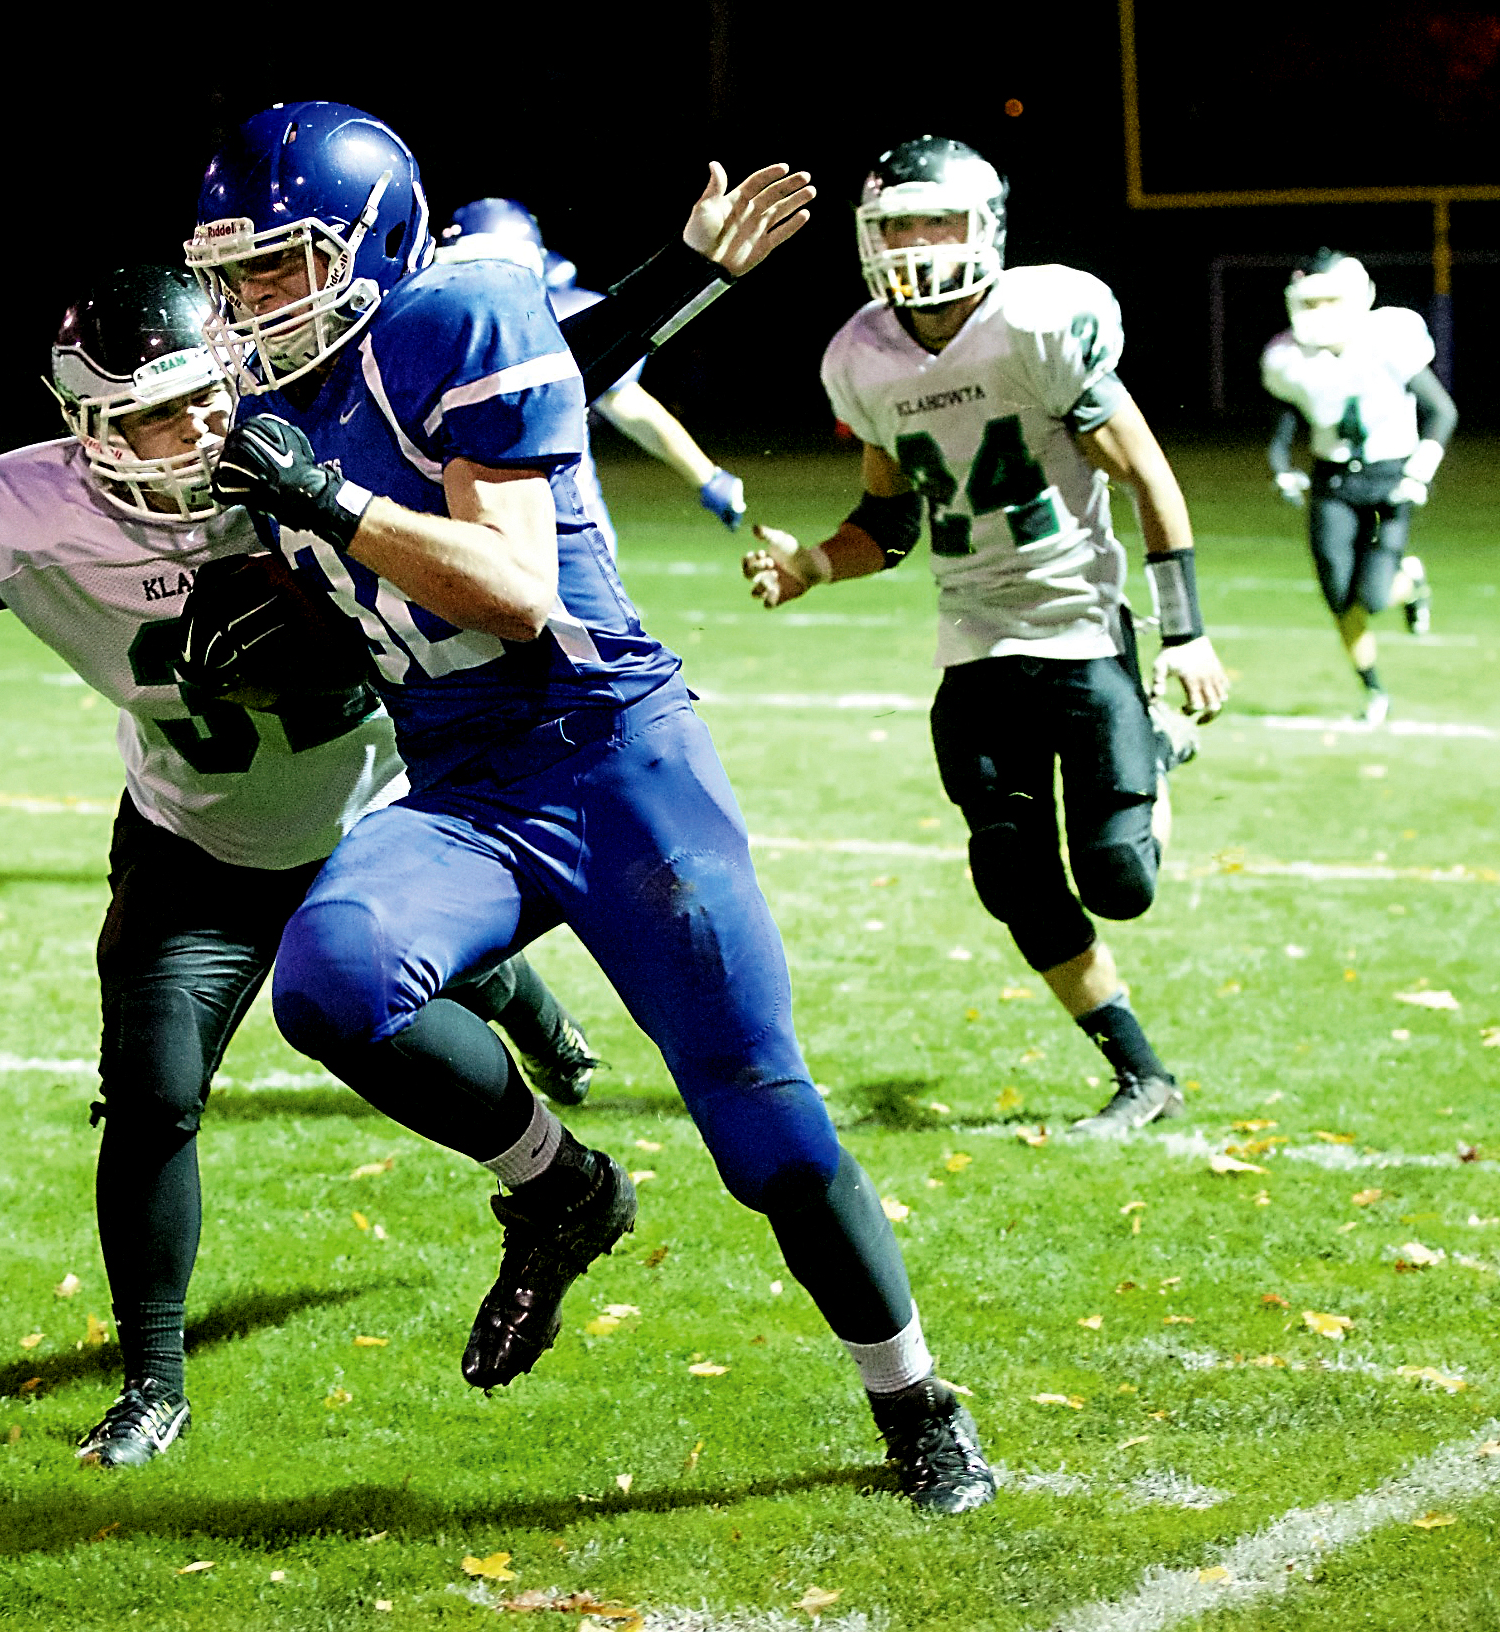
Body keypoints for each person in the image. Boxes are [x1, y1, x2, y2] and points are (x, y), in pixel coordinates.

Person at [182, 100, 995, 1514]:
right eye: (234, 274)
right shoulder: (263, 397)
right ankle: (559, 1187)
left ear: (369, 245)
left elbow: (515, 591)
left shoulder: (459, 312)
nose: (250, 305)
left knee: (762, 1127)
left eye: (279, 267)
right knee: (331, 981)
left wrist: (323, 505)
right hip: (462, 781)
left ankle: (913, 1400)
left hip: (611, 757)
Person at [0, 265, 600, 1470]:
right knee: (153, 1096)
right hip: (194, 839)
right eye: (160, 411)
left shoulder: (302, 458)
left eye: (209, 394)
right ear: (90, 423)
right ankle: (151, 1380)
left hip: (377, 818)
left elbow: (523, 407)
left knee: (392, 1005)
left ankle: (544, 1114)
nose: (202, 427)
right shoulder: (22, 504)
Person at [741, 135, 1228, 1138]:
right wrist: (811, 565)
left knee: (1120, 884)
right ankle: (1141, 1074)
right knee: (1011, 875)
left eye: (938, 221)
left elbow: (1145, 474)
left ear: (986, 230)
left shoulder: (1040, 323)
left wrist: (1183, 635)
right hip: (972, 643)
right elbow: (887, 524)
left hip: (1078, 629)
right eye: (897, 224)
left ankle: (1155, 743)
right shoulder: (860, 358)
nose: (917, 243)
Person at [436, 197, 747, 548]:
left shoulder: (557, 323)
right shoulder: (417, 333)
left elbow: (630, 407)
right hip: (469, 532)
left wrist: (708, 476)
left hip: (561, 534)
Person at [1261, 249, 1456, 726]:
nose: (1321, 313)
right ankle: (1374, 691)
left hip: (1392, 479)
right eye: (1311, 302)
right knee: (1337, 595)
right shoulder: (1287, 358)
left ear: (1357, 298)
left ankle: (1410, 583)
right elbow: (1282, 429)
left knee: (1370, 596)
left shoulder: (1389, 338)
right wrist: (1282, 467)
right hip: (1334, 482)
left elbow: (1441, 412)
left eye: (1332, 300)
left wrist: (1418, 472)